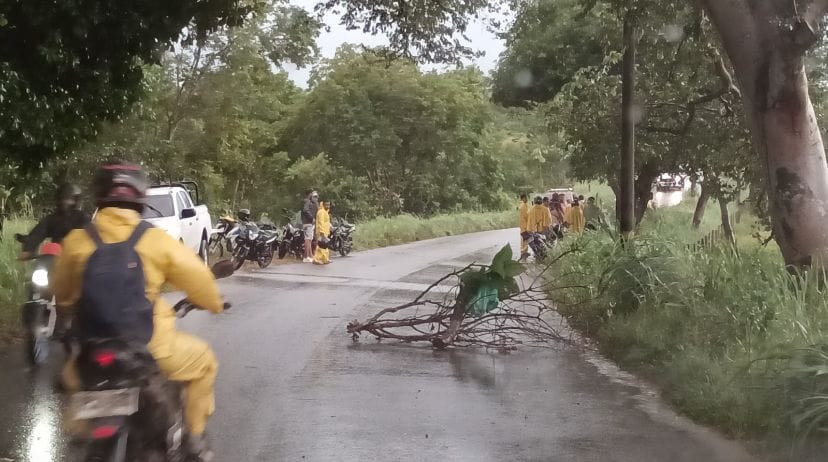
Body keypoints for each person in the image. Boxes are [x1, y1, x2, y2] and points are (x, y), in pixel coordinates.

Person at [52, 162, 226, 459]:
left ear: (99, 196)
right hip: (151, 351)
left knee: (70, 383)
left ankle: (84, 436)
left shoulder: (77, 242)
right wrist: (215, 303)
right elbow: (201, 283)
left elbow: (63, 296)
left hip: (93, 354)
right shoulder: (155, 240)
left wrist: (69, 313)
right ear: (139, 197)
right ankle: (195, 438)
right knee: (206, 363)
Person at [18, 183, 90, 260]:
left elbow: (90, 237)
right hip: (54, 259)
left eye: (70, 199)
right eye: (64, 198)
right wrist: (28, 249)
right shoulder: (51, 219)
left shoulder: (82, 218)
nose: (66, 202)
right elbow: (38, 233)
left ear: (76, 200)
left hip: (76, 259)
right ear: (58, 199)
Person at [301, 190, 319, 263]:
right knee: (308, 240)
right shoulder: (307, 202)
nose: (314, 197)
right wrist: (312, 218)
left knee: (310, 239)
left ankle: (310, 256)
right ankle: (306, 256)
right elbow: (305, 210)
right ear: (309, 194)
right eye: (313, 195)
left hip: (308, 223)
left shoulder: (310, 202)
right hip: (308, 223)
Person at [313, 201, 332, 265]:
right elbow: (321, 223)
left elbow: (326, 222)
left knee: (325, 246)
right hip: (321, 232)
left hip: (325, 232)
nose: (328, 206)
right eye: (326, 205)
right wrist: (322, 233)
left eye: (329, 205)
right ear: (323, 205)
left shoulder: (325, 212)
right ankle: (316, 259)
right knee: (320, 246)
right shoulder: (321, 212)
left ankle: (325, 259)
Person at [518, 194, 530, 259]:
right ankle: (523, 253)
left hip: (526, 225)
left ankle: (525, 252)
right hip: (524, 226)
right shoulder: (522, 206)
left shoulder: (526, 205)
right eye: (525, 198)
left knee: (526, 240)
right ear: (522, 198)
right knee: (524, 240)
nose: (526, 199)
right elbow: (527, 215)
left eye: (527, 198)